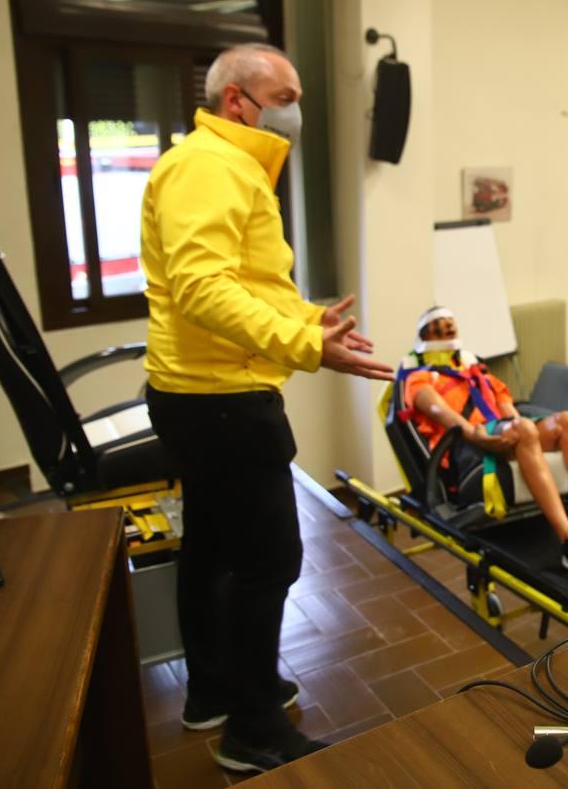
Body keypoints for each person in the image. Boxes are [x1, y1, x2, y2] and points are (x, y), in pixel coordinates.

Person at [142, 44, 398, 773]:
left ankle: (215, 693)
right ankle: (253, 732)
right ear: (236, 102)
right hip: (221, 401)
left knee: (215, 550)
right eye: (284, 94)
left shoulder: (227, 165)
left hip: (204, 392)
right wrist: (305, 345)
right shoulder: (209, 166)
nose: (295, 109)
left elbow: (243, 281)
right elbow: (200, 288)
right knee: (268, 561)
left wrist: (304, 320)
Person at [402, 307, 568, 581]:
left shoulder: (477, 372)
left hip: (504, 433)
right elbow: (440, 413)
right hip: (469, 447)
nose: (449, 328)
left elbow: (508, 409)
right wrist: (479, 435)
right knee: (524, 427)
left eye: (451, 323)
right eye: (440, 325)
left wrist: (519, 430)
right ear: (425, 334)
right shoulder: (420, 377)